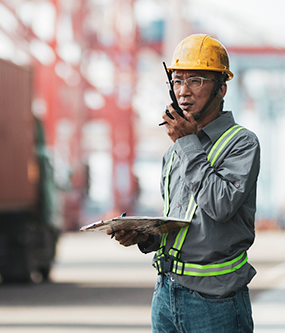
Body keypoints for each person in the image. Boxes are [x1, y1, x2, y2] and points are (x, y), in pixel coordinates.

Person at [109, 34, 261, 333]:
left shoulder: (241, 143)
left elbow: (219, 206)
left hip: (214, 303)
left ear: (222, 88)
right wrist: (144, 236)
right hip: (166, 294)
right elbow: (183, 225)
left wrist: (188, 143)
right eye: (177, 81)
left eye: (196, 81)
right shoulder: (175, 149)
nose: (183, 92)